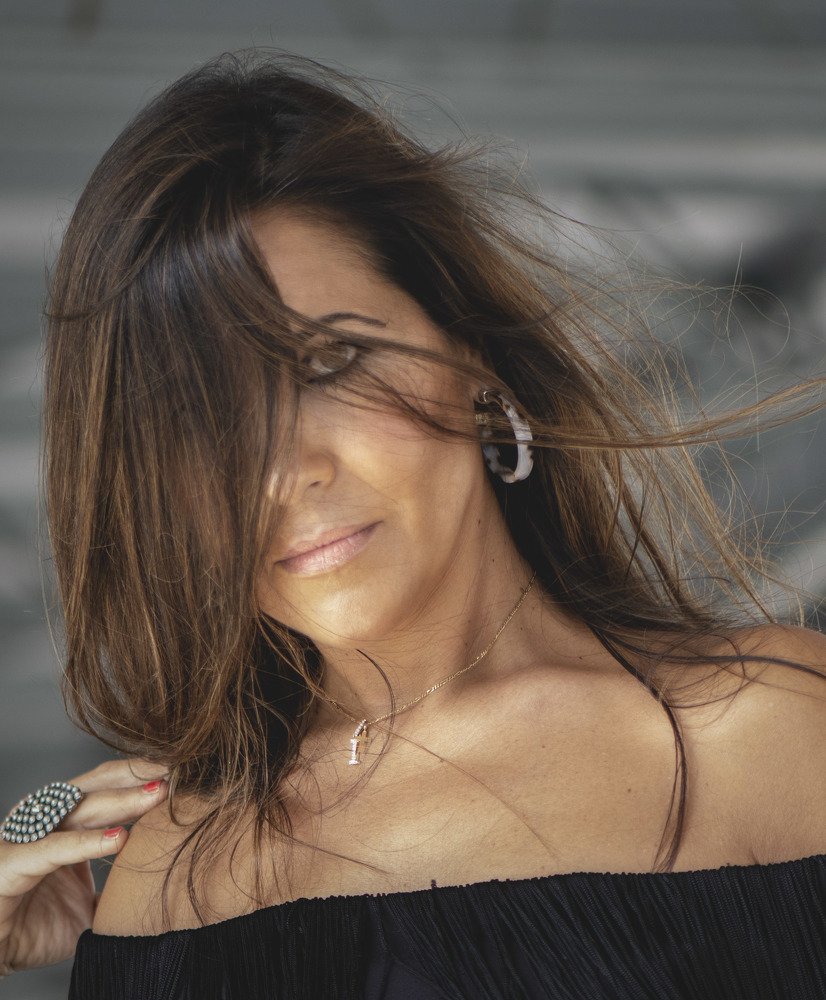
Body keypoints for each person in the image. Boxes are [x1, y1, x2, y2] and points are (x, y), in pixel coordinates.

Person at [1, 49, 824, 999]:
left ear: (468, 351)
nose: (279, 473)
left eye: (328, 363)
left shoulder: (771, 731)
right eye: (198, 423)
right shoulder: (170, 873)